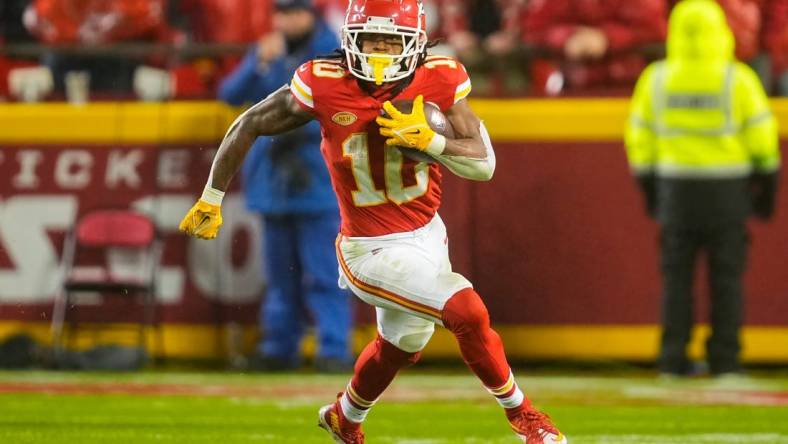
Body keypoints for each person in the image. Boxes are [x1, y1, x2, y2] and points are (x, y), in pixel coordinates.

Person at [179, 0, 567, 442]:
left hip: (427, 235)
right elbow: (249, 122)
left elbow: (484, 164)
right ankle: (525, 417)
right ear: (349, 40)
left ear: (416, 43)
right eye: (371, 41)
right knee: (466, 309)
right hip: (369, 249)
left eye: (390, 42)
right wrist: (212, 197)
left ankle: (345, 416)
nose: (380, 53)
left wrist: (435, 143)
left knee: (402, 345)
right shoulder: (324, 82)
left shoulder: (439, 78)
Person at [625, 0, 780, 377]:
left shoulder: (656, 79)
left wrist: (649, 189)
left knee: (676, 279)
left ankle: (673, 358)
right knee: (727, 279)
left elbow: (639, 139)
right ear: (721, 29)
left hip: (676, 192)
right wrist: (768, 187)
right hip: (728, 193)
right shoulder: (737, 78)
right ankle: (726, 359)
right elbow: (762, 138)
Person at [217, 0, 352, 373]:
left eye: (294, 12)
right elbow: (229, 94)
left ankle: (333, 348)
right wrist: (257, 62)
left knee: (326, 273)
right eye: (281, 12)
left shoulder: (332, 54)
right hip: (274, 182)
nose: (286, 20)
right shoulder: (268, 51)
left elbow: (343, 112)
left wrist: (292, 128)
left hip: (319, 180)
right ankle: (279, 346)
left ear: (311, 14)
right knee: (281, 277)